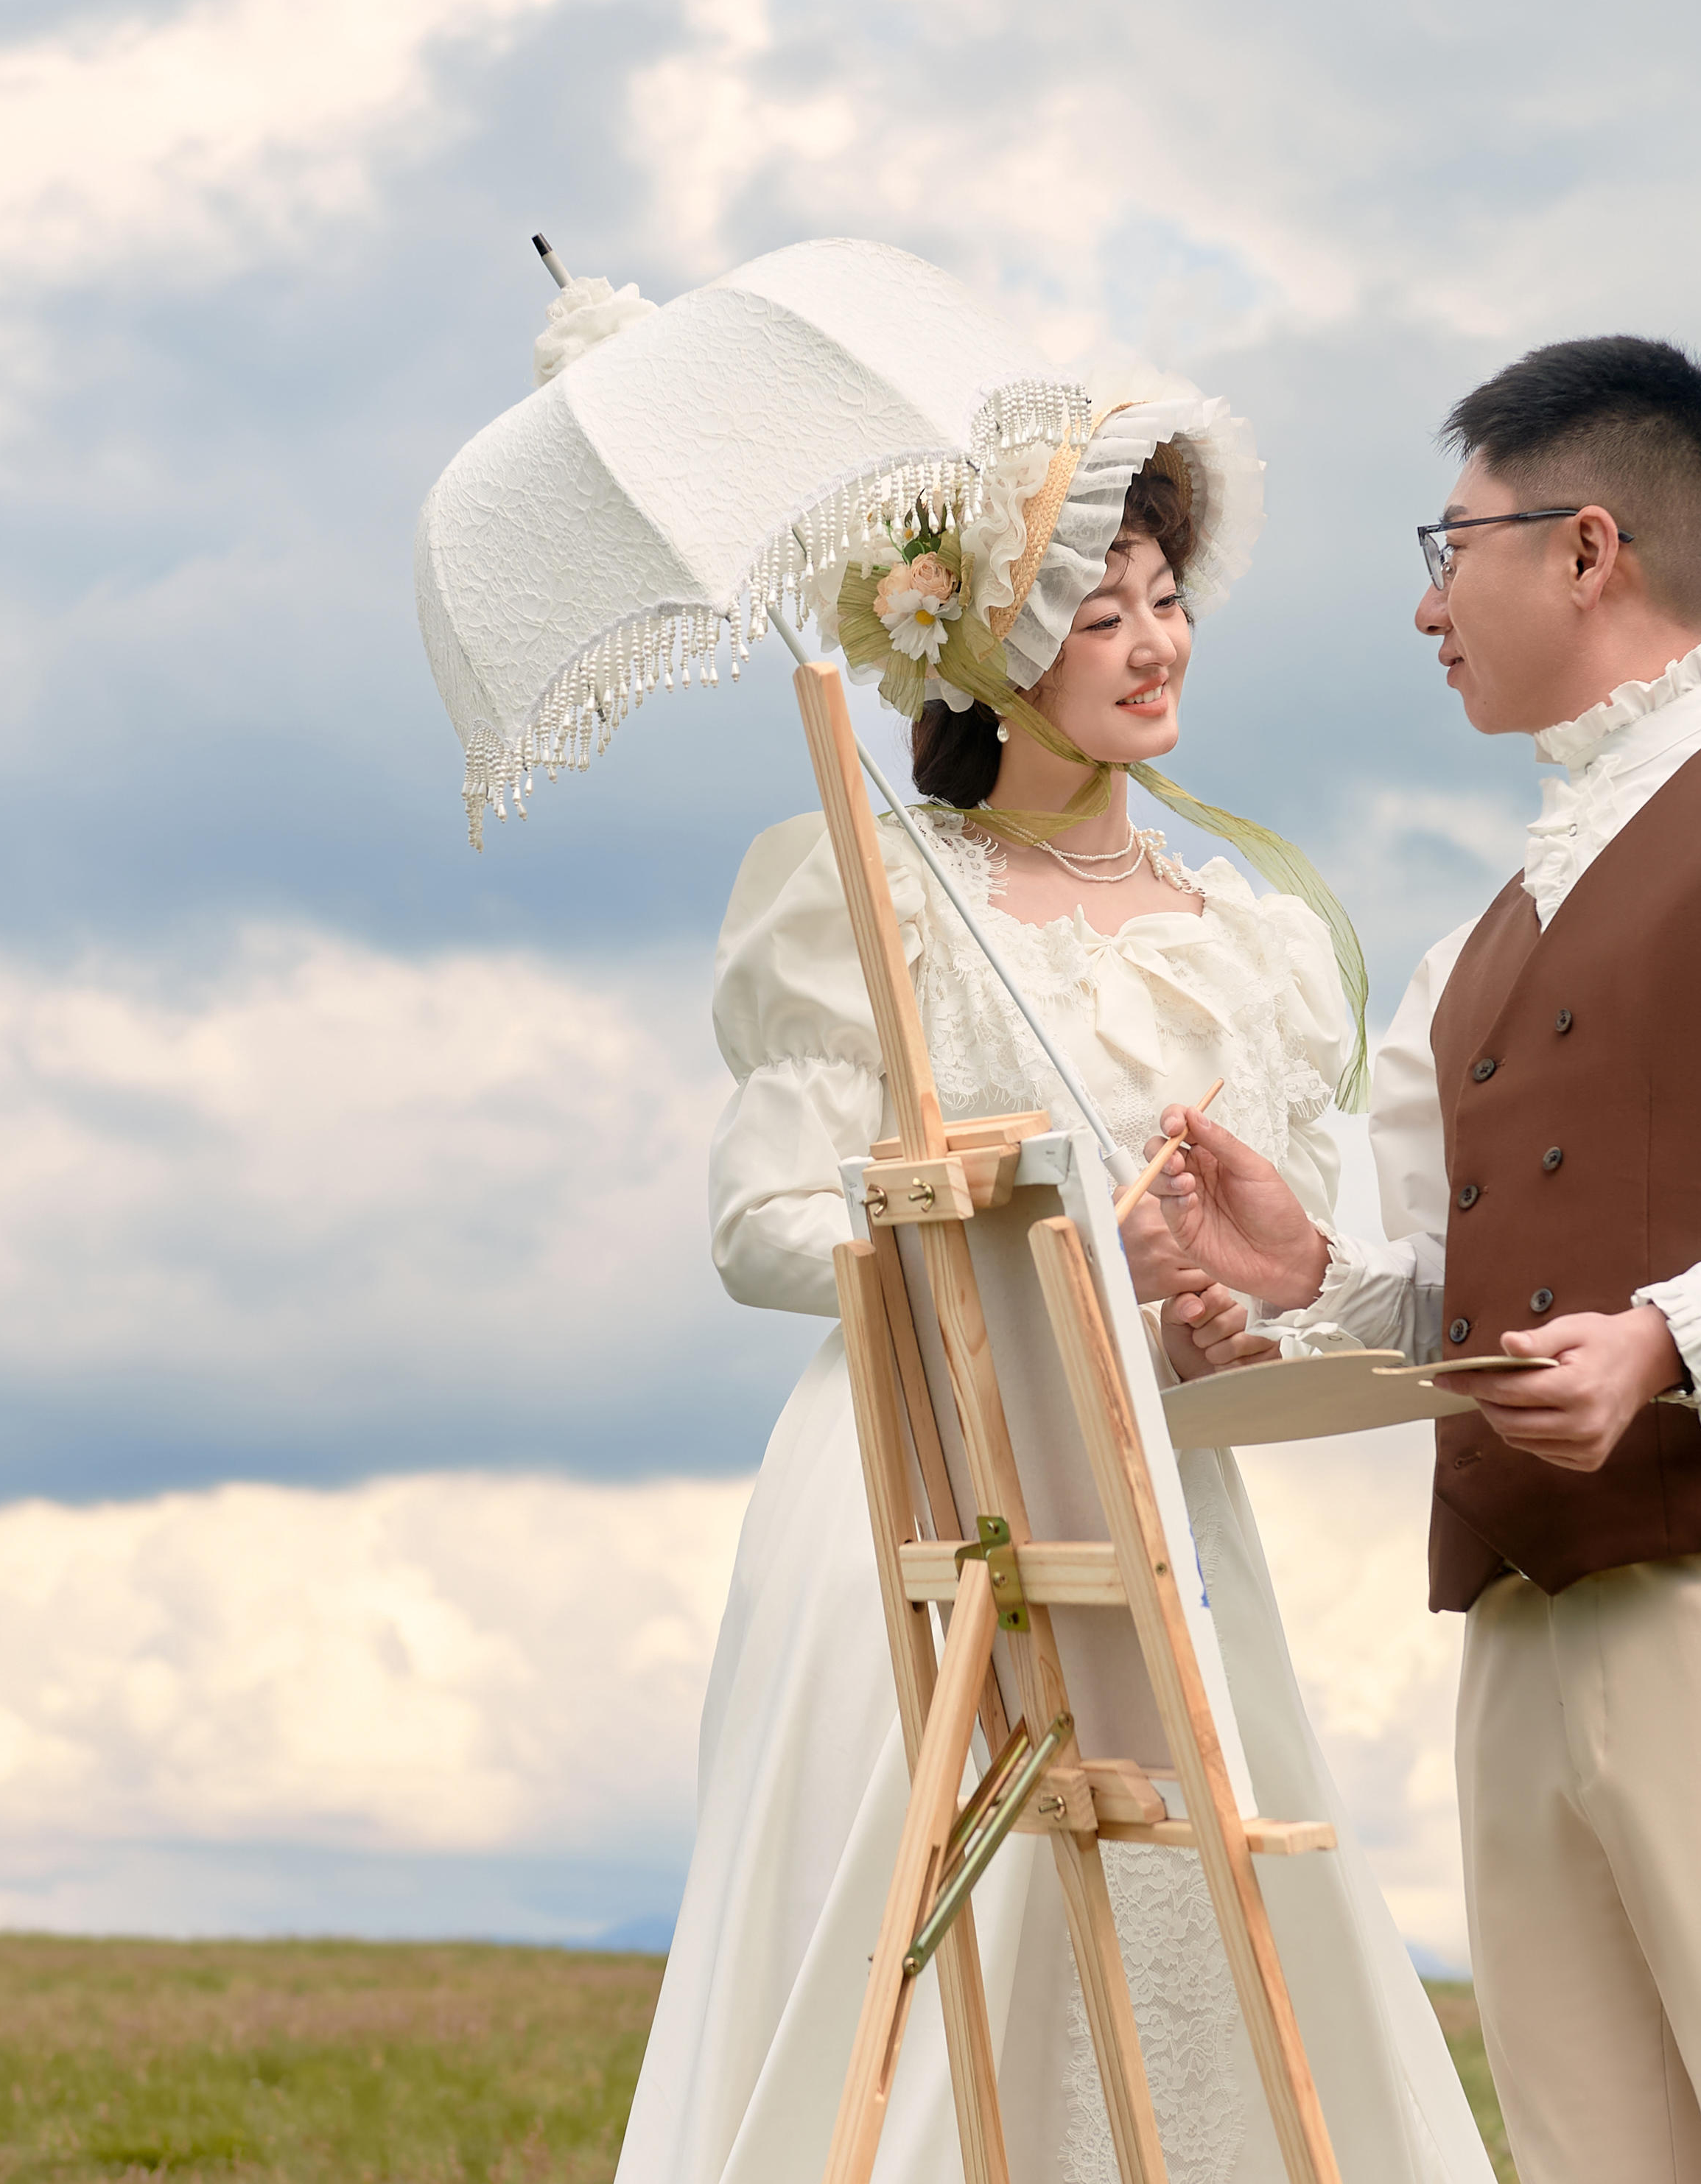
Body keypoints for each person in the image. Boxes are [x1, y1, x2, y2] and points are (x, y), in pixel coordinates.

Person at [1155, 337, 1701, 2182]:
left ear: (1587, 548)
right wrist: (1310, 1272)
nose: (1424, 607)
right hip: (1524, 1625)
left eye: (1449, 546)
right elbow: (1465, 1290)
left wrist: (1673, 1337)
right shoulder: (1473, 946)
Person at [616, 375, 1495, 2184]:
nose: (1155, 643)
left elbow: (1282, 1253)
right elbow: (762, 1223)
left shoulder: (1251, 938)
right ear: (989, 649)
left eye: (1167, 600)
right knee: (925, 1980)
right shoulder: (868, 891)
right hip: (917, 1490)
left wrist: (1215, 1310)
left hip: (1157, 1493)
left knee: (1195, 1962)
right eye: (1101, 613)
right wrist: (1038, 1240)